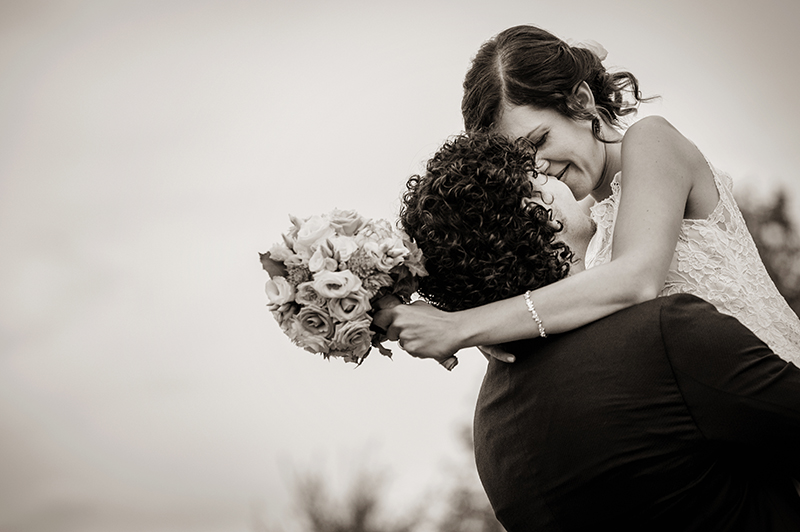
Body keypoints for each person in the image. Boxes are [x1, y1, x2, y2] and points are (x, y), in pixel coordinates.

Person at [385, 131, 800, 531]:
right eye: (537, 175)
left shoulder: (492, 437)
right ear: (539, 214)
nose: (552, 173)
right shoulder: (663, 335)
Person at [381, 25, 800, 367]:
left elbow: (636, 280)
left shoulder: (652, 142)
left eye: (539, 139)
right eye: (521, 160)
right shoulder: (579, 220)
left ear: (581, 101)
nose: (537, 166)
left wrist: (462, 327)